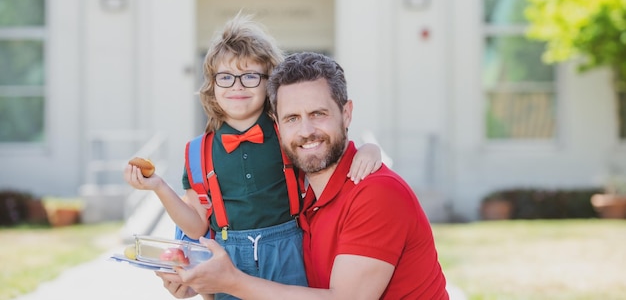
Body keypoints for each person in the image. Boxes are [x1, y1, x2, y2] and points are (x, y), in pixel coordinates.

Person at [124, 15, 382, 300]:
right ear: (212, 85)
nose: (237, 86)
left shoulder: (288, 132)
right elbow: (197, 225)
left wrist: (370, 151)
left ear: (269, 83)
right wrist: (159, 186)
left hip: (289, 253)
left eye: (250, 76)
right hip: (228, 258)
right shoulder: (197, 152)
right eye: (226, 77)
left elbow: (330, 155)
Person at [157, 51, 449, 299]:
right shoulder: (304, 198)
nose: (306, 131)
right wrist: (201, 282)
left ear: (346, 114)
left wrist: (230, 281)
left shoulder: (376, 194)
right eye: (292, 118)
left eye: (318, 114)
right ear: (278, 126)